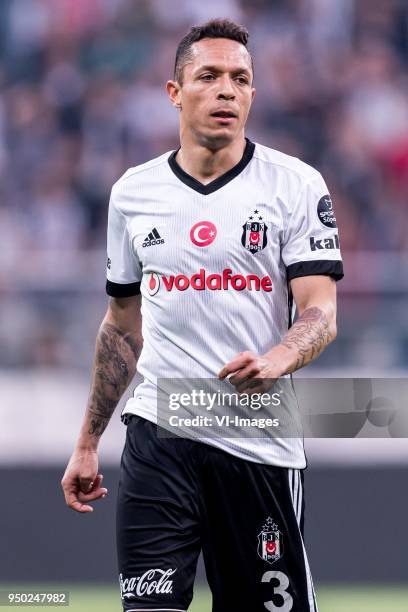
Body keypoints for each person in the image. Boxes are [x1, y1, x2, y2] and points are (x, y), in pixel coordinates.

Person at [62, 18, 343, 612]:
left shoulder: (295, 184)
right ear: (174, 92)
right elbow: (121, 326)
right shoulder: (132, 194)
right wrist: (89, 441)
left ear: (253, 95)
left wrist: (279, 357)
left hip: (257, 443)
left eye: (240, 79)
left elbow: (320, 308)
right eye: (208, 76)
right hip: (159, 435)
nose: (226, 91)